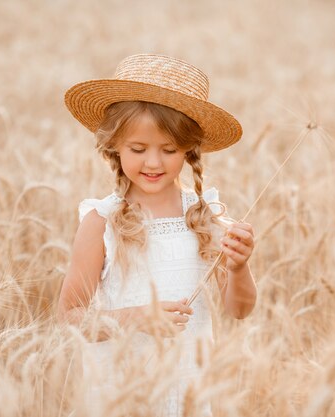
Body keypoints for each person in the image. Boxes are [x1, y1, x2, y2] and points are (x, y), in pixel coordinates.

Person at [58, 54, 257, 416]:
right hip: (120, 392)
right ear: (114, 146)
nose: (153, 163)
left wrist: (240, 268)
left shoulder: (204, 217)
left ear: (189, 151)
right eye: (138, 149)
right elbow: (70, 315)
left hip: (187, 391)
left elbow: (239, 310)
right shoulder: (100, 222)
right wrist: (135, 318)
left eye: (169, 150)